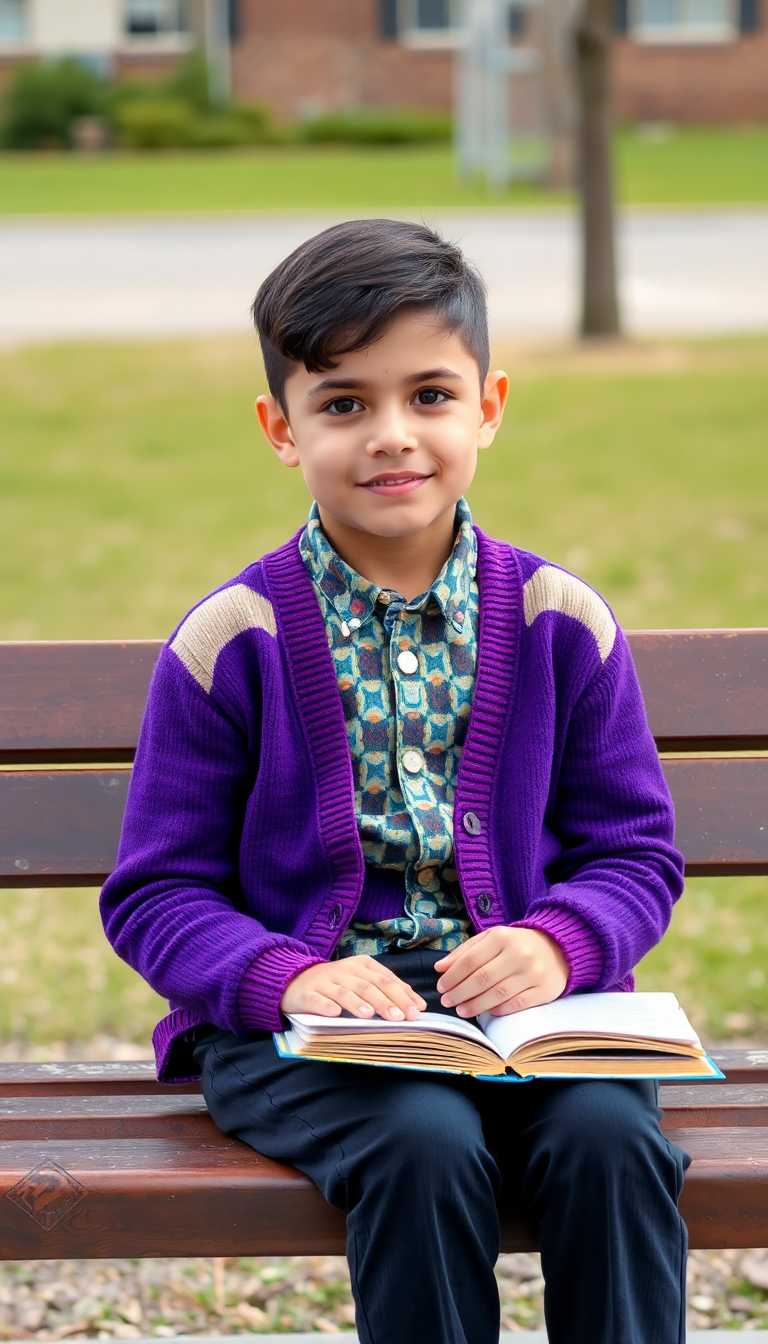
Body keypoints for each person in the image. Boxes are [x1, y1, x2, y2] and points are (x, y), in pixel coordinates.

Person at [100, 218, 689, 1344]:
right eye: (343, 404)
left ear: (490, 406)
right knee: (422, 1143)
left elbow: (634, 855)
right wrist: (284, 977)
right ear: (281, 427)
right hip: (307, 1035)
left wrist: (560, 942)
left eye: (429, 395)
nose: (391, 436)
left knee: (613, 1145)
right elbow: (155, 894)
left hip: (531, 1017)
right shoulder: (236, 639)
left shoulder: (560, 621)